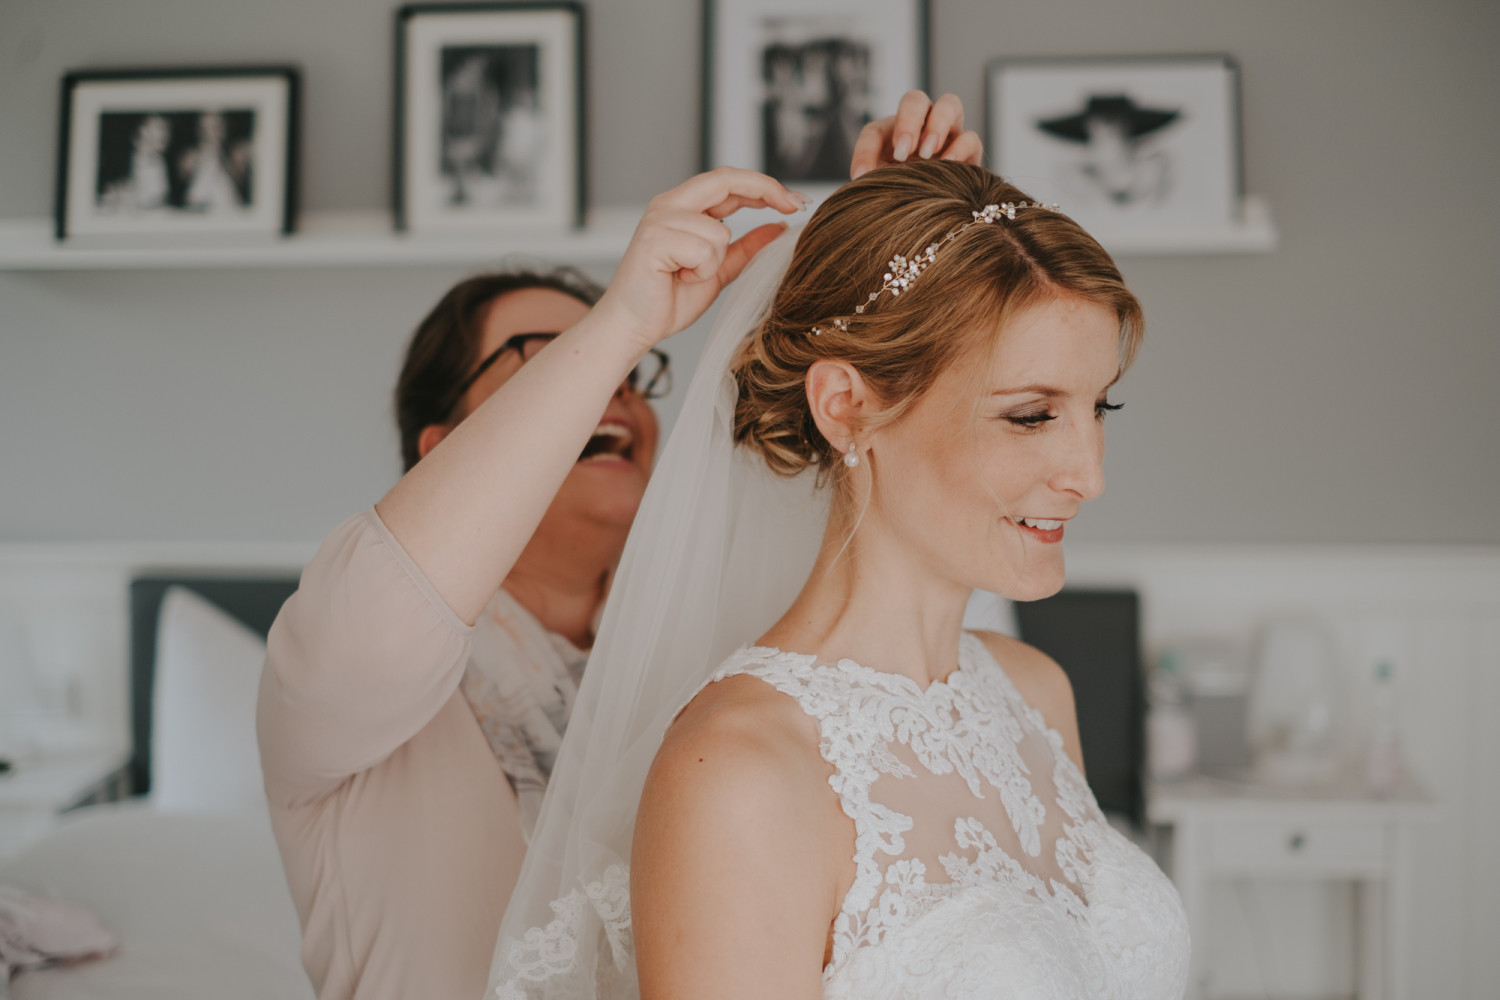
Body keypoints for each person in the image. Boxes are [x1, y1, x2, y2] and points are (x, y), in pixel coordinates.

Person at [258, 93, 982, 1000]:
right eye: (547, 356)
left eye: (634, 373)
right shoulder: (335, 690)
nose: (621, 391)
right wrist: (620, 322)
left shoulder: (710, 651)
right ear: (439, 449)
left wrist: (889, 251)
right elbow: (379, 609)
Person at [487, 160, 1191, 999]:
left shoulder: (1035, 691)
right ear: (846, 407)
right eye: (1031, 416)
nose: (1089, 473)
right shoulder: (738, 772)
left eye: (1098, 408)